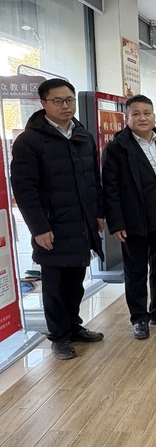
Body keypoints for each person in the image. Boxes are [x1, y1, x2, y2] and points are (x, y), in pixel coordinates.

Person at [10, 78, 105, 360]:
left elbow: (93, 179)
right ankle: (59, 336)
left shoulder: (83, 135)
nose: (66, 106)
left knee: (76, 280)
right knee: (54, 286)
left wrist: (98, 213)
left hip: (81, 223)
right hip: (51, 226)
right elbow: (24, 190)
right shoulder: (29, 141)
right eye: (58, 101)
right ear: (43, 103)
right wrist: (39, 227)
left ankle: (73, 326)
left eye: (69, 100)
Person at [101, 95, 156, 340]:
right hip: (132, 220)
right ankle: (139, 318)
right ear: (127, 118)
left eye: (147, 113)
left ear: (154, 116)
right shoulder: (117, 148)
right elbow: (110, 188)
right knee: (135, 271)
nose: (142, 118)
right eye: (136, 113)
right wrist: (116, 223)